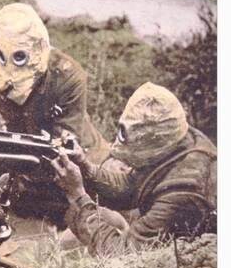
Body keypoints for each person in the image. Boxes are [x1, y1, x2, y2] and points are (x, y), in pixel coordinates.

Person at [0, 3, 108, 227]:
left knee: (88, 220)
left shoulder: (67, 77)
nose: (11, 65)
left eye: (20, 56)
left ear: (38, 47)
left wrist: (3, 160)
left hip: (80, 164)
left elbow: (65, 148)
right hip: (24, 166)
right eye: (5, 56)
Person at [50, 82, 217, 256]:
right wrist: (85, 167)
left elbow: (122, 253)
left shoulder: (184, 192)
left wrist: (78, 197)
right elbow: (131, 186)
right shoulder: (176, 138)